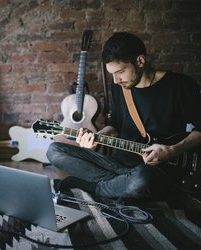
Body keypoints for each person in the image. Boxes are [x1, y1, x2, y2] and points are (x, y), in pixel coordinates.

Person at [47, 32, 201, 199]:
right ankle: (117, 185)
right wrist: (97, 137)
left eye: (120, 72)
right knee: (55, 150)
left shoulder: (179, 85)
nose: (115, 80)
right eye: (111, 74)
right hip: (120, 163)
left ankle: (95, 186)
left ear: (140, 61)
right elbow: (116, 124)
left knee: (142, 179)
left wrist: (171, 150)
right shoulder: (120, 87)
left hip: (157, 169)